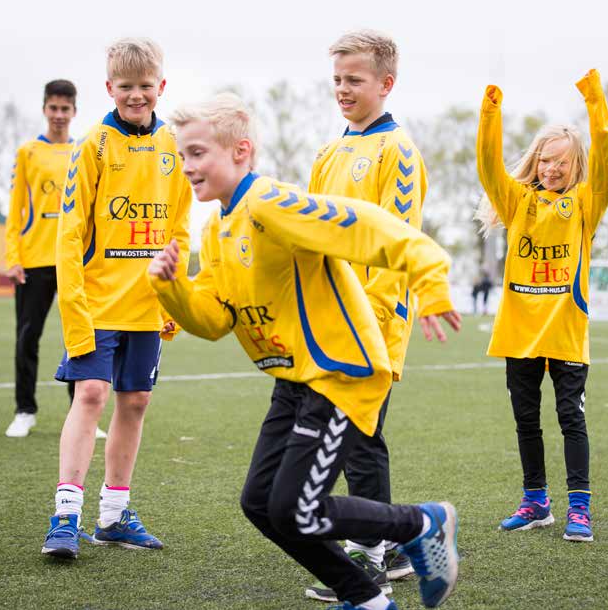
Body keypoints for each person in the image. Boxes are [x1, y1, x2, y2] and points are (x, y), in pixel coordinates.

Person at [149, 93, 461, 610]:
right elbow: (213, 319)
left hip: (340, 372)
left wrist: (429, 281)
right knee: (261, 504)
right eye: (183, 156)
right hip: (295, 380)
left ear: (241, 150)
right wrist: (172, 289)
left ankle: (423, 522)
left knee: (296, 507)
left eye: (198, 153)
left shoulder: (271, 203)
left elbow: (368, 226)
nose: (188, 168)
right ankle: (365, 598)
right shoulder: (219, 227)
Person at [40, 38, 192, 559]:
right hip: (97, 303)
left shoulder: (174, 145)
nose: (136, 96)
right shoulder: (93, 146)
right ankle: (65, 516)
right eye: (125, 87)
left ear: (161, 88)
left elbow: (179, 231)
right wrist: (74, 315)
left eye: (145, 87)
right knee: (90, 397)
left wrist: (173, 299)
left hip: (147, 307)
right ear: (110, 88)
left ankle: (113, 515)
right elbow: (68, 237)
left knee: (137, 401)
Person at [475, 69, 608, 543]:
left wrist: (595, 99)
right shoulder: (518, 202)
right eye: (544, 160)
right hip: (518, 334)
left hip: (566, 333)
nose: (550, 169)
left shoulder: (585, 203)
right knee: (526, 421)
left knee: (571, 419)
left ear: (575, 165)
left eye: (560, 162)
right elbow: (488, 166)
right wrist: (491, 112)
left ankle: (580, 508)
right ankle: (536, 502)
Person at [305, 30, 426, 601]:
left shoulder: (396, 151)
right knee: (347, 438)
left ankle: (371, 558)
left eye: (354, 79)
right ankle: (392, 548)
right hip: (325, 322)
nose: (343, 89)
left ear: (386, 83)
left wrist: (368, 327)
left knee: (361, 439)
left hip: (369, 324)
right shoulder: (331, 151)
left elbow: (397, 247)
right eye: (337, 79)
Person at [4, 79, 99, 439]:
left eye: (65, 109)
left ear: (74, 112)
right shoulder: (27, 152)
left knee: (81, 336)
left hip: (75, 260)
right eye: (53, 108)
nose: (59, 115)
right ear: (45, 109)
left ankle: (82, 411)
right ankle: (24, 410)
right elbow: (16, 211)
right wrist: (14, 257)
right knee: (28, 336)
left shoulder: (84, 150)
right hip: (34, 259)